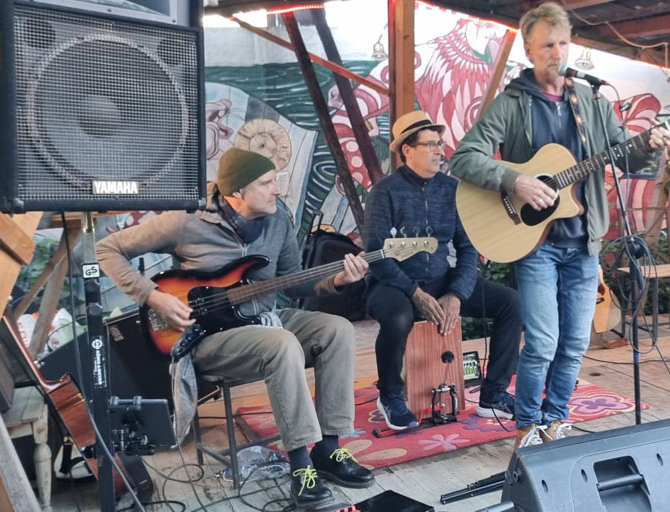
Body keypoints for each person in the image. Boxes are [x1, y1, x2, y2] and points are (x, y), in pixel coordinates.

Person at [449, 2, 670, 448]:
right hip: (535, 244)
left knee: (574, 343)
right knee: (542, 343)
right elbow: (464, 157)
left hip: (583, 242)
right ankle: (527, 425)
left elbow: (624, 157)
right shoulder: (512, 104)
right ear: (529, 51)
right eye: (547, 45)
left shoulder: (592, 101)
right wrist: (515, 180)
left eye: (564, 43)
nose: (557, 53)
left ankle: (555, 420)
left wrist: (648, 144)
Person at [96, 148, 375, 507]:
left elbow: (294, 282)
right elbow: (107, 249)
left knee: (337, 330)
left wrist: (337, 279)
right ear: (238, 192)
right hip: (210, 338)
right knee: (281, 344)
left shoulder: (278, 219)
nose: (278, 190)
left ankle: (328, 449)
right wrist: (153, 296)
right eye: (267, 183)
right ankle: (301, 468)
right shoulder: (186, 221)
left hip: (266, 319)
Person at [363, 110, 524, 430]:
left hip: (441, 279)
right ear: (407, 149)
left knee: (512, 303)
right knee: (399, 317)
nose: (440, 150)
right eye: (431, 144)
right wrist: (415, 293)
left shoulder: (452, 190)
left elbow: (467, 248)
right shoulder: (384, 191)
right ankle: (390, 394)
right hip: (391, 284)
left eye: (440, 143)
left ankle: (493, 394)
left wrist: (456, 294)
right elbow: (376, 256)